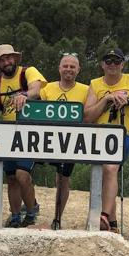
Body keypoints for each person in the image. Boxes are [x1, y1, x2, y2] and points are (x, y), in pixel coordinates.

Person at [84, 48, 129, 232]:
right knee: (104, 176)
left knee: (110, 168)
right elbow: (87, 116)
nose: (112, 65)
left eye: (117, 61)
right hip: (99, 134)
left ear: (123, 64)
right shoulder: (95, 84)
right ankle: (112, 224)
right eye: (108, 61)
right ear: (102, 65)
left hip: (122, 133)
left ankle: (104, 216)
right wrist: (106, 100)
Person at [0, 44, 47, 227]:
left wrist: (25, 95)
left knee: (22, 174)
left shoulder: (27, 72)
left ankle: (31, 210)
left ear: (15, 58)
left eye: (9, 58)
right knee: (11, 178)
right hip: (7, 134)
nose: (6, 62)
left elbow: (37, 89)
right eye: (2, 60)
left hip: (29, 133)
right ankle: (14, 216)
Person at [39, 53, 88, 229]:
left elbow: (89, 115)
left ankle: (57, 217)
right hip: (46, 140)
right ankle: (29, 209)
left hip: (71, 142)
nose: (68, 69)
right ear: (59, 68)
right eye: (65, 66)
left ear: (78, 70)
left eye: (72, 67)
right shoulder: (46, 89)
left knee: (62, 179)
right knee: (22, 172)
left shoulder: (86, 90)